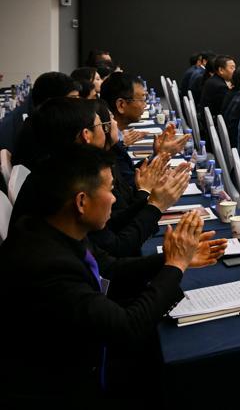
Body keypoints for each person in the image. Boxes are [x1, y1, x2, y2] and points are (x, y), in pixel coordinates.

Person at [0, 145, 225, 404]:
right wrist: (175, 265)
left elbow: (110, 268)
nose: (114, 199)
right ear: (81, 202)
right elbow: (127, 328)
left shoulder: (56, 228)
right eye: (109, 189)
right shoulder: (47, 266)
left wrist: (171, 259)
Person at [11, 98, 188, 258]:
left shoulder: (57, 170)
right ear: (86, 135)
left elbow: (111, 225)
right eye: (102, 125)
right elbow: (116, 249)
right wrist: (155, 205)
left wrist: (151, 202)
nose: (109, 128)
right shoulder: (67, 185)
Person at [100, 73, 188, 192]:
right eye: (142, 99)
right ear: (121, 105)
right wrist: (161, 156)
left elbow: (131, 174)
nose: (145, 105)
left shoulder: (114, 138)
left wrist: (159, 154)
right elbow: (131, 187)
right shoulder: (108, 144)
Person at [10, 71, 80, 164]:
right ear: (52, 101)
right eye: (73, 98)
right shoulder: (45, 130)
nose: (79, 103)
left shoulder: (39, 121)